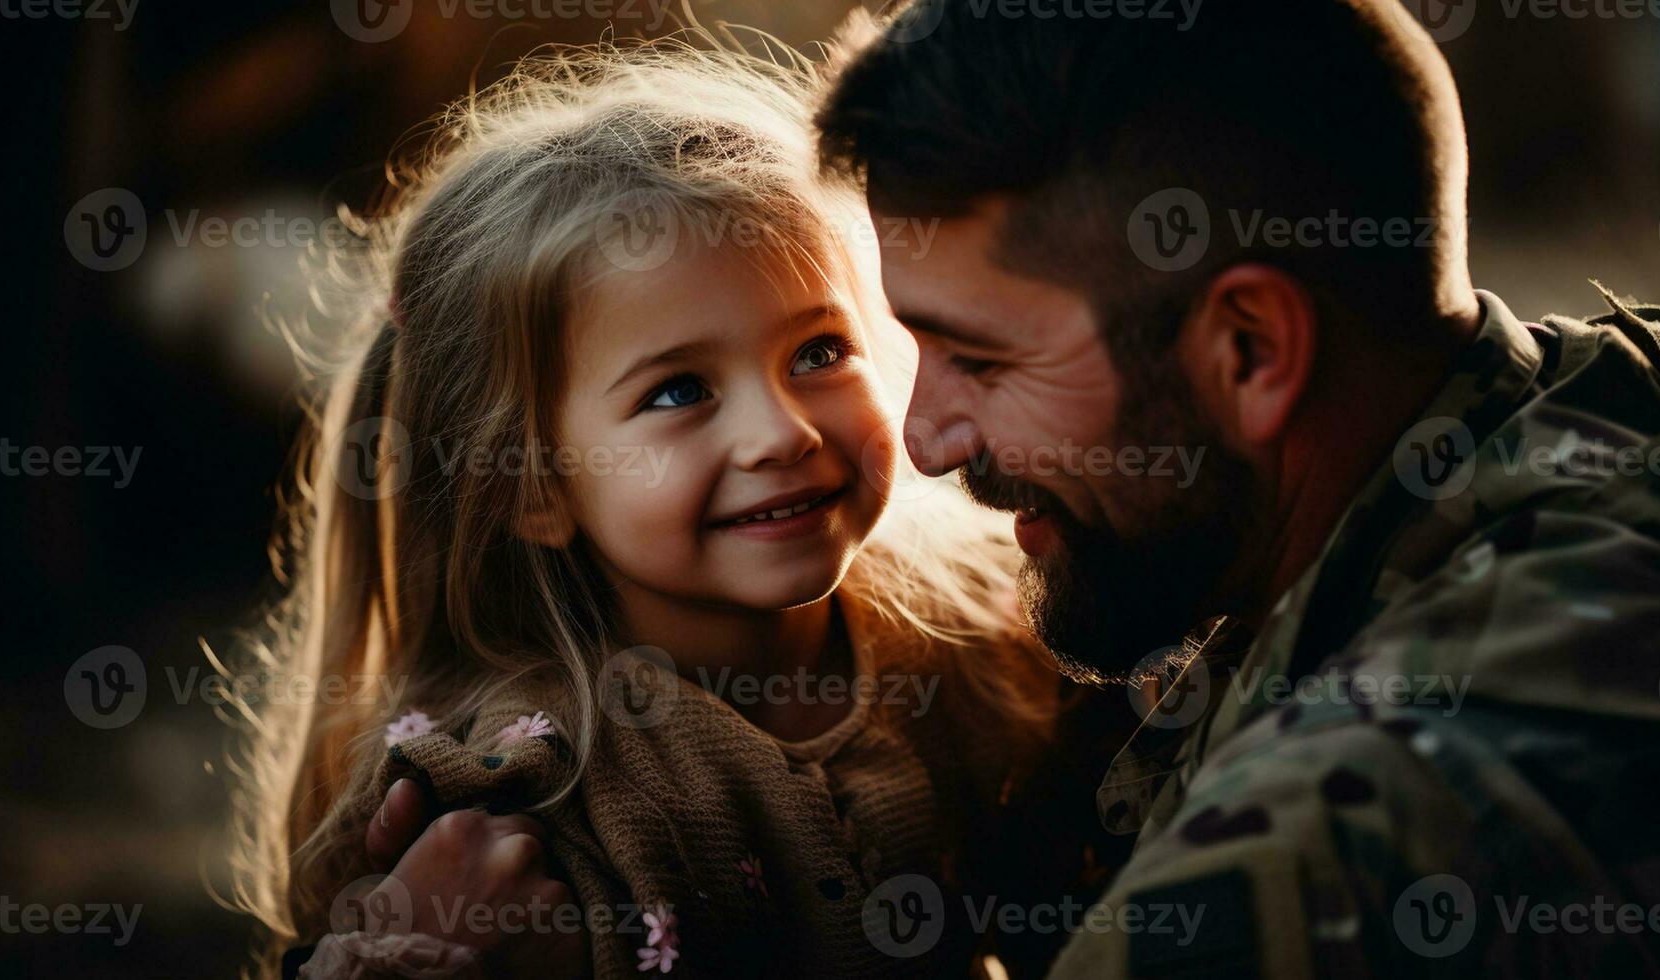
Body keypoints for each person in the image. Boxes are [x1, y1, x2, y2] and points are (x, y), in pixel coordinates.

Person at [815, 0, 1660, 976]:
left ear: (1251, 348)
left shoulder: (1282, 883)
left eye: (981, 359)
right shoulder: (1631, 400)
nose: (925, 439)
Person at [232, 37, 1127, 980]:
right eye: (677, 392)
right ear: (529, 486)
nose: (779, 434)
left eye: (819, 352)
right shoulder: (520, 801)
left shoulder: (998, 635)